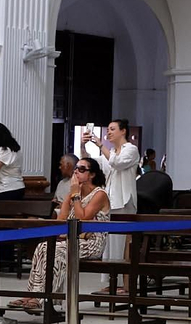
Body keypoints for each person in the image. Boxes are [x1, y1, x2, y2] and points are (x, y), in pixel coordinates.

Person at [8, 157, 110, 312]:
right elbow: (61, 221)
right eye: (76, 168)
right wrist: (71, 197)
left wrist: (75, 196)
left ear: (92, 174)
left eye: (82, 169)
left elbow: (83, 218)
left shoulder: (99, 194)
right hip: (72, 239)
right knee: (42, 247)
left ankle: (45, 298)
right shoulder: (72, 194)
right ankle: (31, 294)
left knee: (58, 252)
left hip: (91, 242)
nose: (76, 172)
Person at [87, 118, 140, 290]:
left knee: (121, 243)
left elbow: (117, 163)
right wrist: (83, 145)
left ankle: (123, 284)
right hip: (110, 200)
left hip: (123, 201)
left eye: (112, 129)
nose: (109, 132)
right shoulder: (110, 151)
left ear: (123, 131)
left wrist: (100, 145)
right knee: (109, 243)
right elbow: (93, 165)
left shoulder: (131, 149)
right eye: (108, 129)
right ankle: (112, 281)